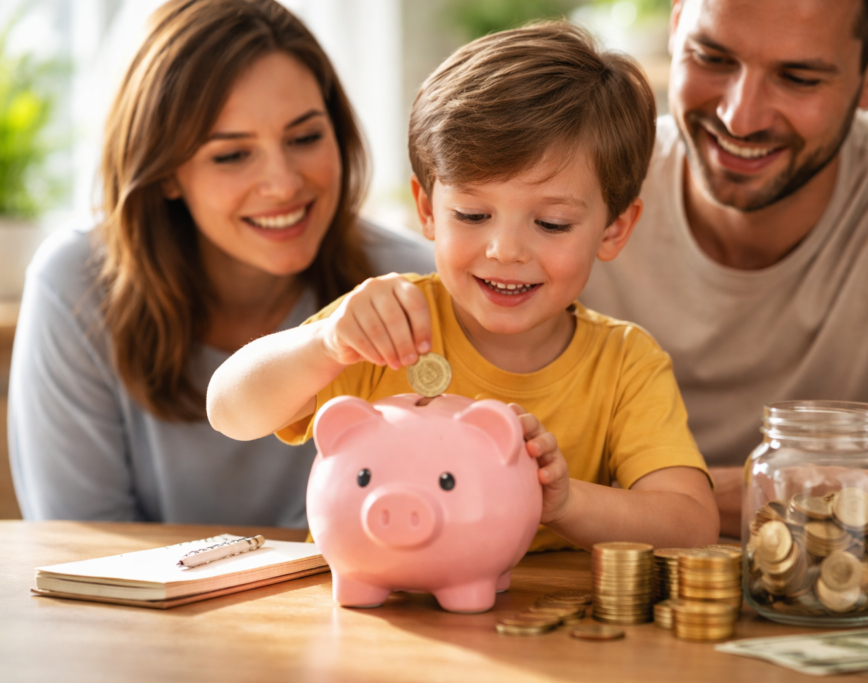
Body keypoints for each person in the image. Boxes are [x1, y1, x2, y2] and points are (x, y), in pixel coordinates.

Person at [208, 23, 720, 552]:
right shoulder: (385, 325)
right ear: (428, 210)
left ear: (614, 228)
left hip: (529, 628)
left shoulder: (624, 364)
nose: (505, 250)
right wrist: (325, 343)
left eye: (551, 224)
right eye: (473, 214)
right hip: (368, 616)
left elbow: (690, 525)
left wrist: (567, 502)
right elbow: (228, 411)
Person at [581, 0, 868, 557]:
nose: (740, 117)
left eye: (798, 77)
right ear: (675, 30)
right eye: (712, 57)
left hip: (849, 598)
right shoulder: (578, 184)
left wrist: (684, 501)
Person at [8, 0, 434, 527]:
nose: (282, 183)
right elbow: (77, 537)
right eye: (231, 155)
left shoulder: (416, 280)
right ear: (165, 172)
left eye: (304, 138)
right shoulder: (73, 285)